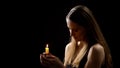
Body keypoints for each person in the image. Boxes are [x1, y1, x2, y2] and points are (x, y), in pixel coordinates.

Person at [40, 5, 113, 68]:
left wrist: (60, 66)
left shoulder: (96, 50)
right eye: (69, 29)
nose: (71, 34)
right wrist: (52, 65)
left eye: (76, 30)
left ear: (88, 28)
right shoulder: (69, 47)